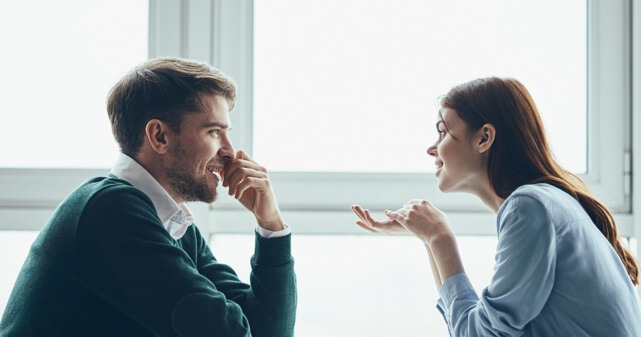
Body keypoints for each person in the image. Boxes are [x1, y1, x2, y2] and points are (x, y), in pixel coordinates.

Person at [0, 58, 296, 337]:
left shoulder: (172, 223)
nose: (230, 151)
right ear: (159, 136)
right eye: (214, 132)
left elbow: (268, 331)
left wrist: (270, 223)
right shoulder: (111, 212)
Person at [352, 77, 641, 336]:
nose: (432, 149)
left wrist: (439, 239)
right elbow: (469, 328)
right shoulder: (545, 203)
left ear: (484, 138)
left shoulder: (528, 207)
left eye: (442, 132)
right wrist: (428, 237)